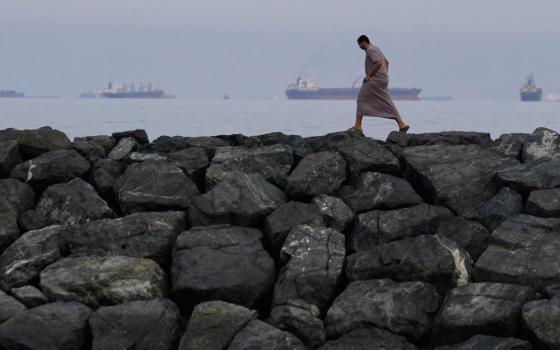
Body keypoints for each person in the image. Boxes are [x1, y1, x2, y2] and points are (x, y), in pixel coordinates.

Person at [350, 35, 410, 133]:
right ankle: (402, 124)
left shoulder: (370, 50)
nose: (359, 47)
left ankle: (358, 126)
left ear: (364, 42)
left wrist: (369, 75)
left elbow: (377, 62)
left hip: (375, 79)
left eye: (360, 44)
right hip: (382, 79)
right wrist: (384, 74)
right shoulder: (376, 48)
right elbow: (386, 62)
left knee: (361, 99)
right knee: (386, 101)